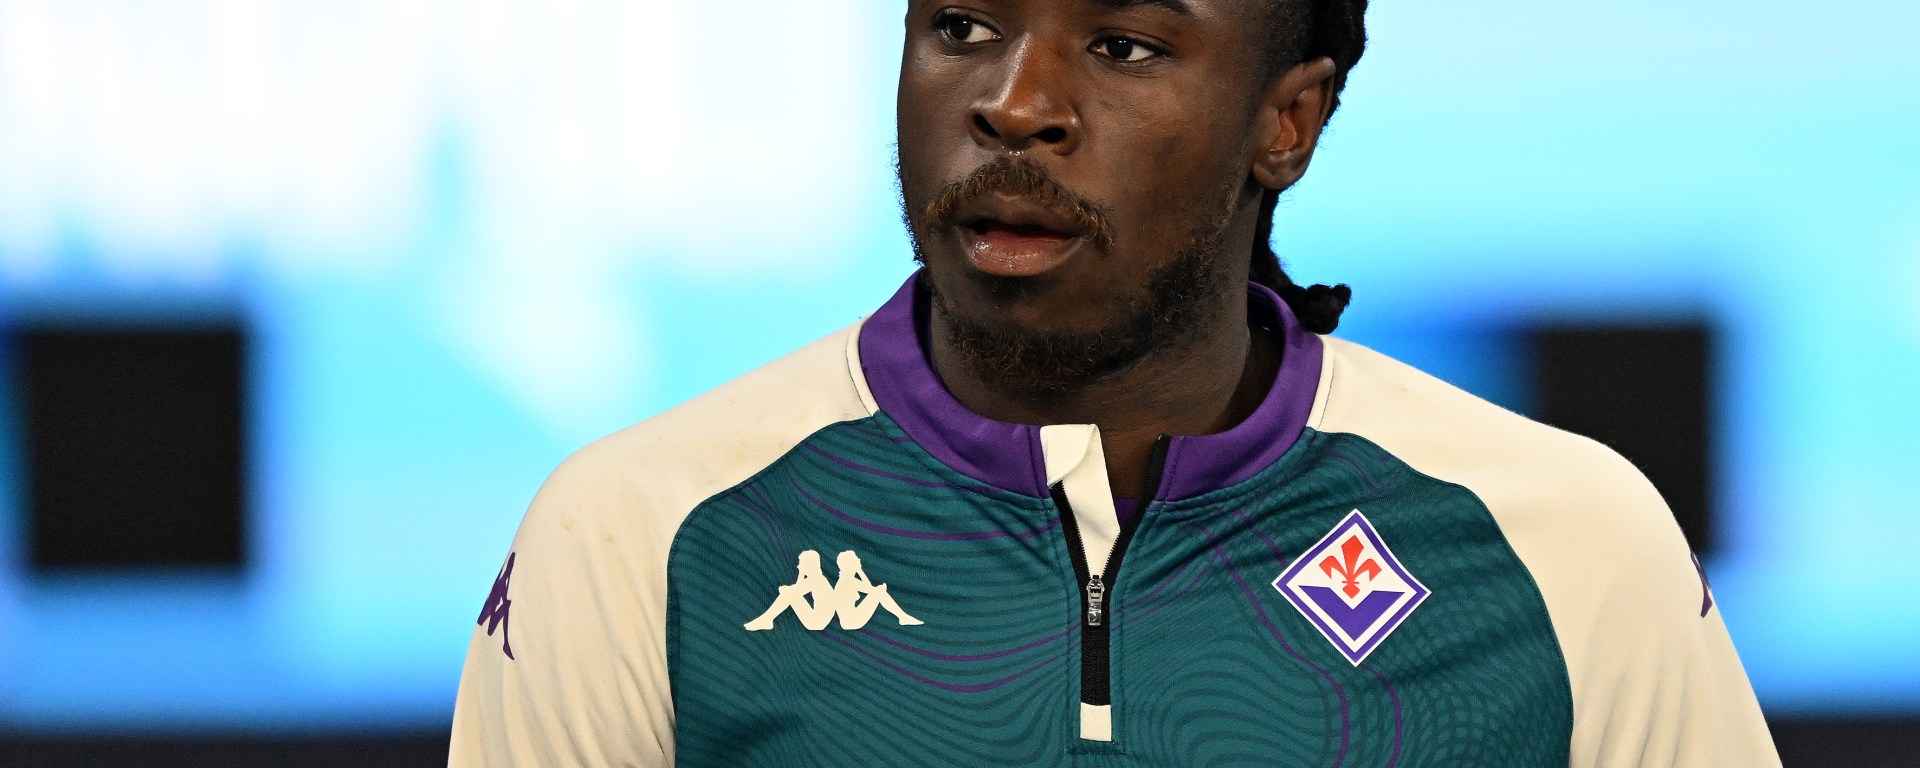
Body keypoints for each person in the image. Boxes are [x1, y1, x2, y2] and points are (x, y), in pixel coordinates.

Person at [451, 1, 1780, 765]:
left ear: (1288, 122)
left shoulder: (1567, 541)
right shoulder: (641, 532)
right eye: (962, 24)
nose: (1014, 102)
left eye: (1124, 43)